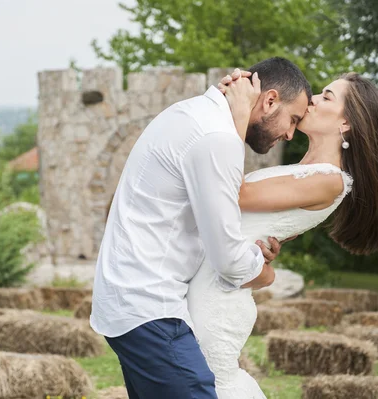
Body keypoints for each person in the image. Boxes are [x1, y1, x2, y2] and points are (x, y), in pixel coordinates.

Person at [90, 57, 312, 399]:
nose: (290, 133)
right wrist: (264, 270)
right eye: (293, 118)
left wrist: (250, 247)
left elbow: (204, 222)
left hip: (135, 305)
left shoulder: (194, 114)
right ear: (269, 101)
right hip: (152, 311)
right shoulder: (216, 137)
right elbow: (228, 261)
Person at [186, 69, 378, 398]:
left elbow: (235, 194)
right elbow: (255, 232)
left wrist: (239, 115)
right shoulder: (302, 170)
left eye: (327, 97)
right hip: (214, 282)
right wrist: (263, 261)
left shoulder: (330, 179)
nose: (312, 99)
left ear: (346, 124)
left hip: (217, 301)